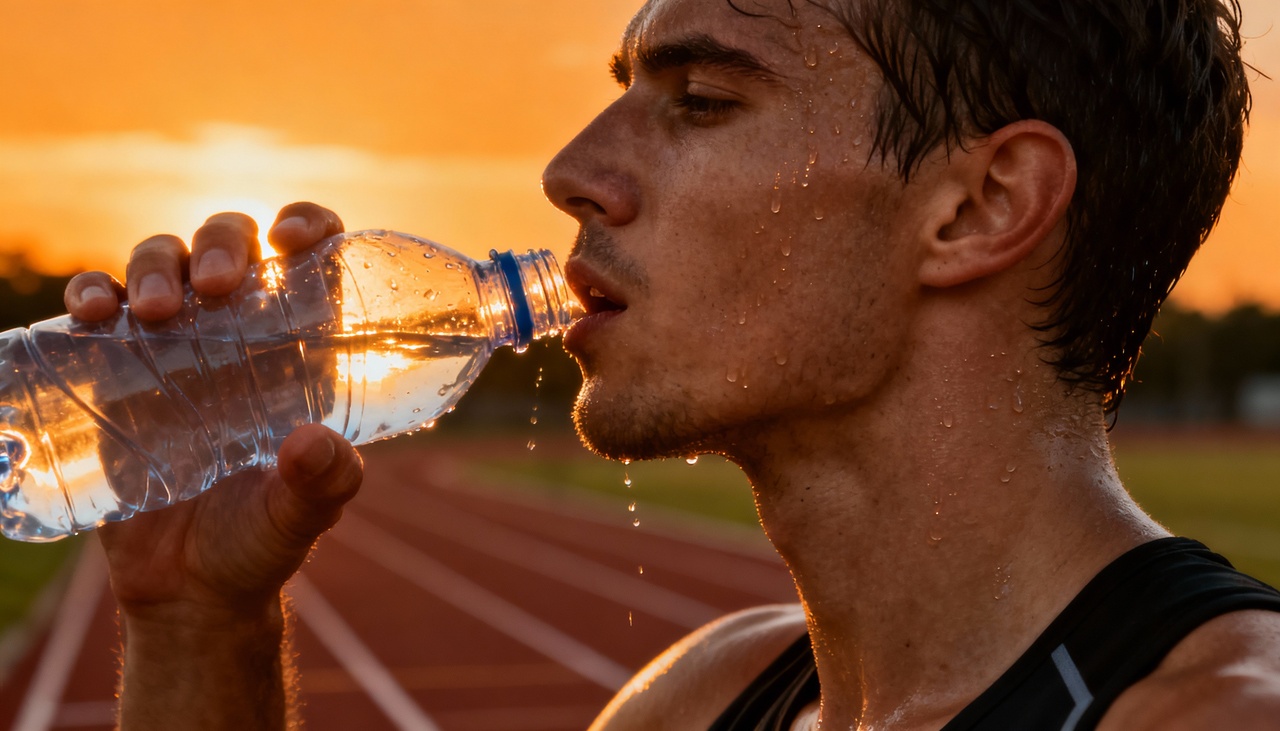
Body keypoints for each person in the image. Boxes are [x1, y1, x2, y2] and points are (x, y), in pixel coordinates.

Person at [63, 0, 1280, 729]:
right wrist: (196, 621)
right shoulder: (701, 698)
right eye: (620, 88)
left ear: (976, 206)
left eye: (699, 98)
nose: (569, 168)